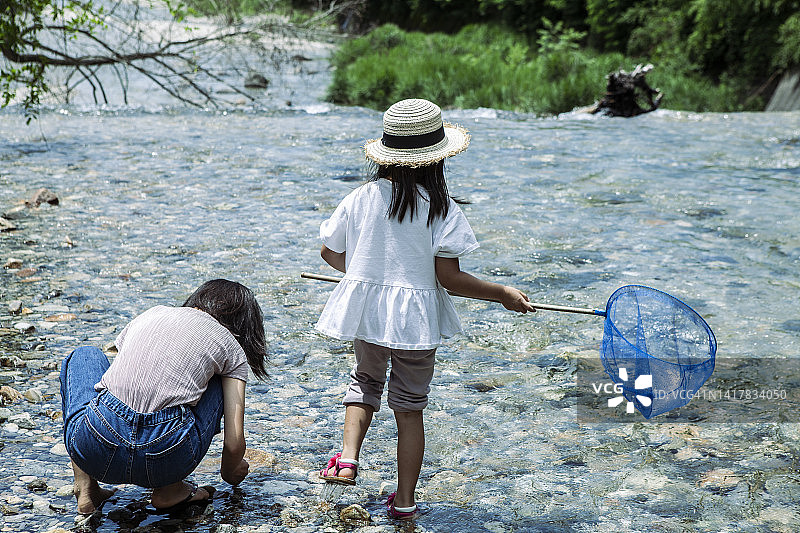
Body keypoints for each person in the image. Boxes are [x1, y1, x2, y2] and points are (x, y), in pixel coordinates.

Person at [315, 98, 534, 520]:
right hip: (414, 324)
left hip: (369, 314)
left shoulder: (360, 197)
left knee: (364, 382)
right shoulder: (441, 207)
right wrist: (502, 293)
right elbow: (449, 278)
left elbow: (329, 252)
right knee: (410, 405)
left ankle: (347, 460)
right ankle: (404, 502)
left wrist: (364, 272)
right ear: (437, 160)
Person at [59, 279, 268, 517]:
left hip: (95, 448)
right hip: (166, 457)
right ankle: (170, 489)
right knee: (219, 380)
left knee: (85, 354)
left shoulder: (153, 313)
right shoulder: (230, 345)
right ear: (244, 325)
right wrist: (231, 472)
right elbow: (233, 443)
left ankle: (86, 487)